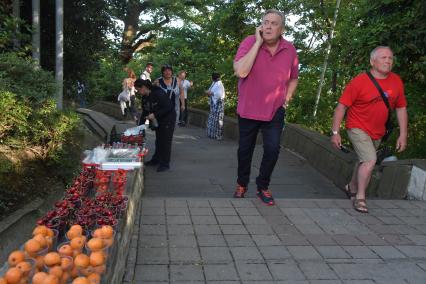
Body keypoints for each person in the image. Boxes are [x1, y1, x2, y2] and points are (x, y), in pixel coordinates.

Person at [233, 9, 299, 205]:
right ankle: (241, 183)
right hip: (248, 109)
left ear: (282, 29)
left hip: (274, 110)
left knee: (272, 149)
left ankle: (262, 186)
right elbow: (241, 72)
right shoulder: (248, 42)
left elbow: (294, 78)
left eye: (274, 23)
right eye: (266, 22)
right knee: (245, 150)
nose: (269, 26)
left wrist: (287, 96)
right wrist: (258, 42)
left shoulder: (290, 49)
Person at [331, 46, 408, 213]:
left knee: (363, 160)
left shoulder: (396, 81)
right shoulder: (359, 81)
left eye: (390, 58)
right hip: (357, 127)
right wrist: (335, 132)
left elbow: (401, 108)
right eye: (383, 58)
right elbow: (341, 108)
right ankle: (360, 197)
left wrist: (403, 134)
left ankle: (351, 186)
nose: (388, 61)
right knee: (370, 160)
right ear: (372, 62)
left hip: (377, 130)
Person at [135, 79, 176, 172]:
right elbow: (145, 112)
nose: (138, 92)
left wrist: (155, 115)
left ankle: (165, 164)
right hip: (158, 120)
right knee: (159, 140)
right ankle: (156, 160)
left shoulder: (158, 93)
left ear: (144, 87)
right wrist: (140, 127)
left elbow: (169, 107)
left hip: (168, 119)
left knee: (165, 141)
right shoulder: (145, 97)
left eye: (138, 89)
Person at [206, 72, 225, 140]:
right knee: (213, 119)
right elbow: (210, 90)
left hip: (218, 104)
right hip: (214, 104)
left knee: (218, 120)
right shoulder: (214, 83)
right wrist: (209, 92)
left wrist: (210, 93)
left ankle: (218, 135)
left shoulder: (219, 84)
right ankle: (212, 134)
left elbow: (219, 95)